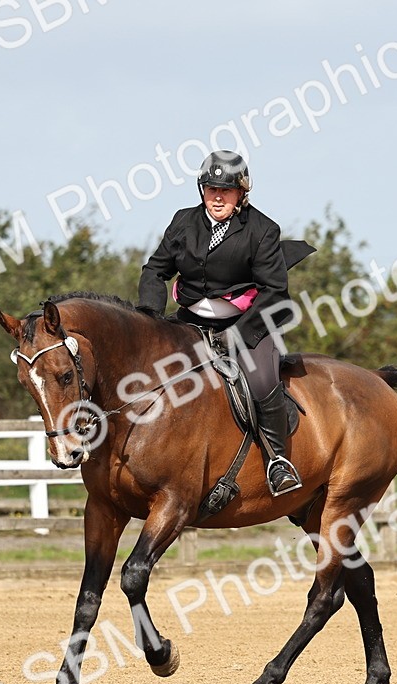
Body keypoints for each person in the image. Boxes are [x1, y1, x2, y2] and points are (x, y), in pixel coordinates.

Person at [136, 150, 302, 496]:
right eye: (211, 189)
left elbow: (274, 291)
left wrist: (239, 336)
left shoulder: (262, 230)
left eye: (225, 191)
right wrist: (150, 318)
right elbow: (155, 270)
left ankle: (278, 461)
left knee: (261, 379)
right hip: (190, 322)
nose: (217, 197)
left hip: (247, 323)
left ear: (242, 192)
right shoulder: (183, 221)